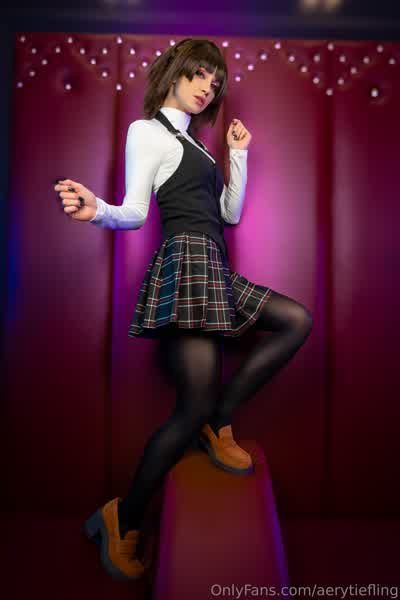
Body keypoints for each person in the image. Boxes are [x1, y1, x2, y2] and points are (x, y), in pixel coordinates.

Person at [54, 38, 313, 582]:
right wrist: (96, 210)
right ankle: (123, 517)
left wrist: (238, 154)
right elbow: (133, 211)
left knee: (295, 320)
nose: (206, 89)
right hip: (187, 266)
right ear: (175, 72)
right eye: (199, 75)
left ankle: (220, 419)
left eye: (215, 83)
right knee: (189, 409)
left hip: (215, 267)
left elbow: (229, 215)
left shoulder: (198, 145)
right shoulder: (147, 131)